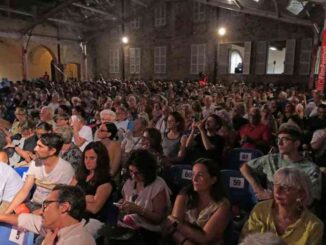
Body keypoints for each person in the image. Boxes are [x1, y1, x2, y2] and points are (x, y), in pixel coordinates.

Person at [241, 167, 323, 245]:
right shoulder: (261, 209)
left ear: (301, 194)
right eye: (275, 185)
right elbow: (246, 240)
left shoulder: (314, 226)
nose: (277, 191)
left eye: (285, 188)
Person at [240, 123, 321, 201]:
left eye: (285, 139)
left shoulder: (311, 169)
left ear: (296, 143)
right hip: (270, 207)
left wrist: (276, 197)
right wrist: (258, 189)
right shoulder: (271, 159)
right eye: (278, 139)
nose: (279, 143)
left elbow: (311, 199)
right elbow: (244, 167)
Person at [4, 133, 75, 214]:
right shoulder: (35, 163)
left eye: (40, 146)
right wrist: (6, 213)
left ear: (52, 151)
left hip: (53, 210)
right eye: (37, 145)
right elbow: (24, 191)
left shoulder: (66, 169)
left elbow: (65, 201)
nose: (35, 148)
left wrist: (40, 212)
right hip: (33, 205)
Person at [0, 185, 96, 245]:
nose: (41, 211)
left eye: (46, 205)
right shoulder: (56, 227)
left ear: (64, 207)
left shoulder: (79, 241)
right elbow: (28, 220)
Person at [166, 158, 231, 245]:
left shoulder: (223, 205)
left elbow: (204, 239)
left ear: (213, 180)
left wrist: (177, 225)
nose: (194, 179)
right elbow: (172, 229)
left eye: (200, 175)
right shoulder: (184, 194)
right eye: (193, 174)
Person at [116, 149, 171, 245]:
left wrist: (138, 210)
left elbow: (158, 219)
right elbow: (126, 206)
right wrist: (123, 205)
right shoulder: (129, 183)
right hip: (130, 227)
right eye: (131, 171)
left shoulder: (157, 185)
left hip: (150, 231)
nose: (133, 176)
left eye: (137, 173)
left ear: (147, 171)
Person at [71, 141, 113, 222]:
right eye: (86, 158)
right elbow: (67, 194)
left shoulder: (105, 181)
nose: (87, 161)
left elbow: (94, 209)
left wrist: (74, 201)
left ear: (101, 159)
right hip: (74, 215)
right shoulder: (80, 174)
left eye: (92, 158)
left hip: (91, 220)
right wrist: (85, 199)